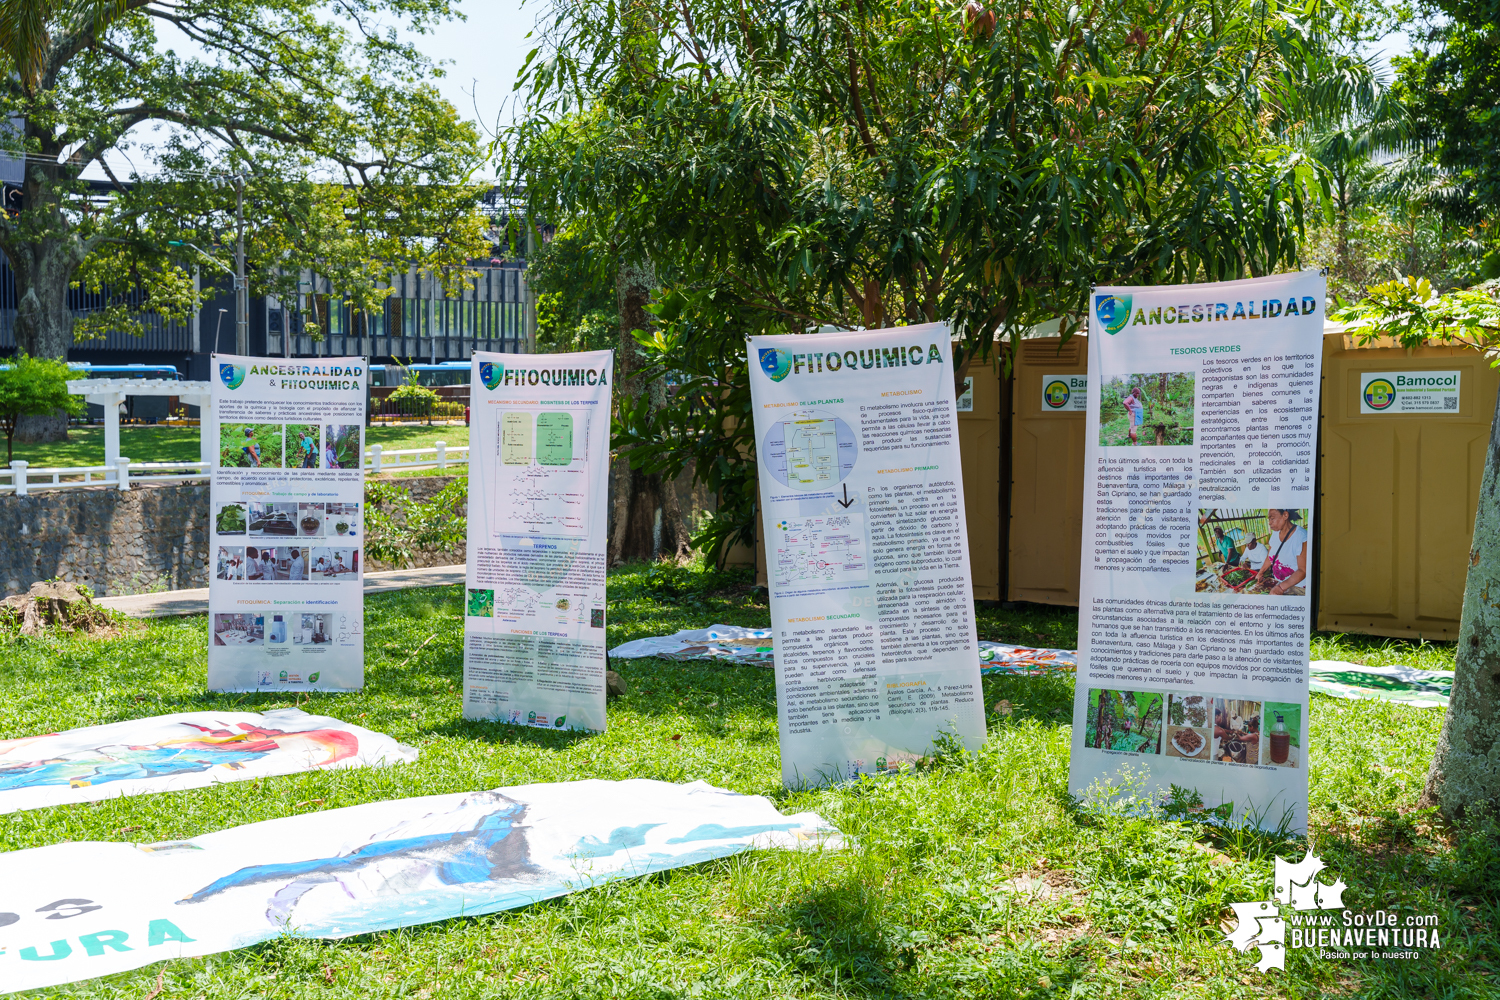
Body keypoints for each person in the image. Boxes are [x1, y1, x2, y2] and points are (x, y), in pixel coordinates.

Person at [1258, 508, 1309, 596]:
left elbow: (1303, 570)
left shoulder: (1302, 537)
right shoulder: (1274, 534)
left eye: (1272, 518)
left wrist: (1281, 587)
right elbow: (1270, 557)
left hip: (1297, 587)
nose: (1269, 523)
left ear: (1285, 515)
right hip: (1278, 582)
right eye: (1269, 519)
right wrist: (1261, 572)